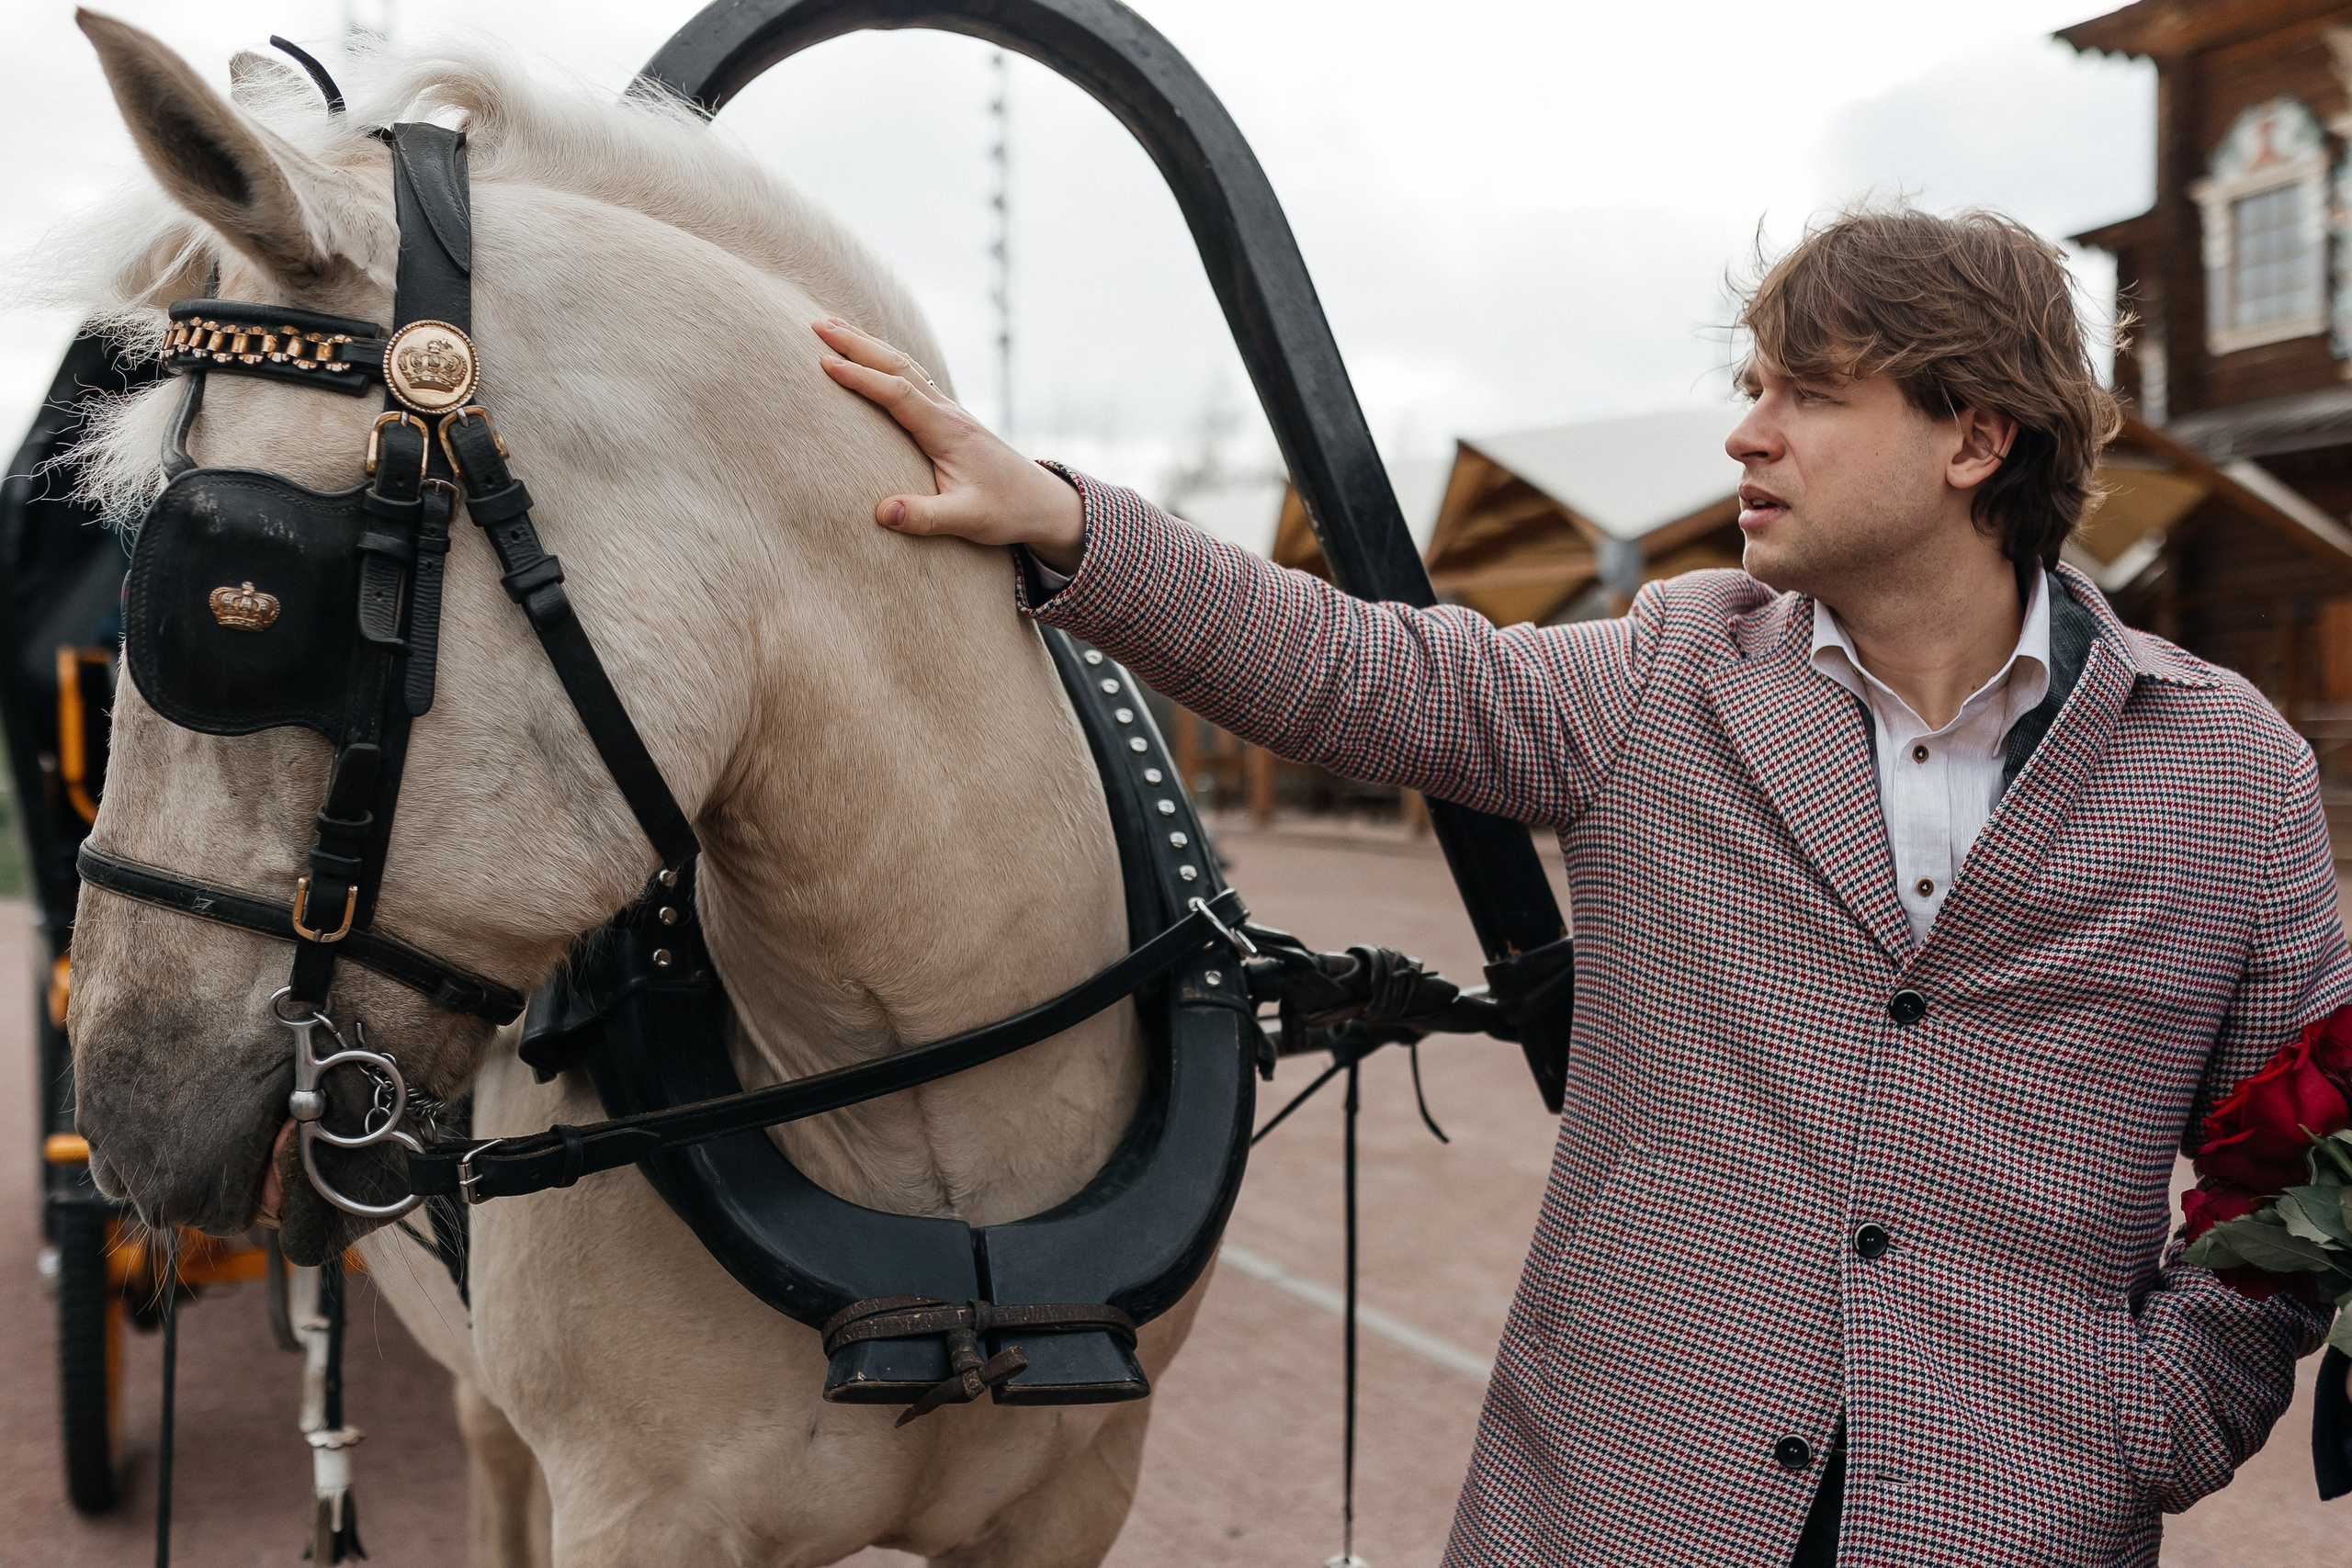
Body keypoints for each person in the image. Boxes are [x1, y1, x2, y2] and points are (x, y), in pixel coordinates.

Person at [813, 207, 2348, 1567]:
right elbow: (1374, 673)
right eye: (1753, 388)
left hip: (2021, 1516)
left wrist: (2156, 1421)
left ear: (1975, 438)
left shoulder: (2232, 775)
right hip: (1621, 1493)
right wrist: (1073, 521)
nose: (1749, 434)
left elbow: (2301, 1149)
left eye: (1809, 394)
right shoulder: (1671, 676)